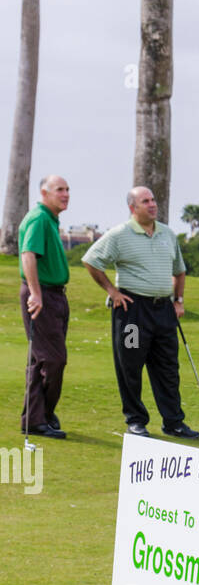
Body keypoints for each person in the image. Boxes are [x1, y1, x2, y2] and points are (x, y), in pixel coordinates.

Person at [82, 187, 199, 438]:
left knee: (168, 367)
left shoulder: (167, 234)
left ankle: (173, 422)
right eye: (146, 201)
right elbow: (91, 260)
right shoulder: (120, 234)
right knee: (131, 364)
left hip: (163, 311)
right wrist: (112, 292)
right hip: (133, 312)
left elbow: (179, 270)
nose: (152, 204)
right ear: (133, 208)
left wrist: (178, 300)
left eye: (153, 200)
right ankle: (135, 420)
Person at [18, 175, 71, 439]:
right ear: (44, 193)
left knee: (41, 360)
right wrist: (36, 294)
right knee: (53, 360)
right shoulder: (39, 218)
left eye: (67, 189)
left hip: (55, 296)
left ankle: (36, 418)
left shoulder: (50, 219)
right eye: (59, 189)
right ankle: (44, 415)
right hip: (43, 296)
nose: (65, 194)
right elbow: (28, 255)